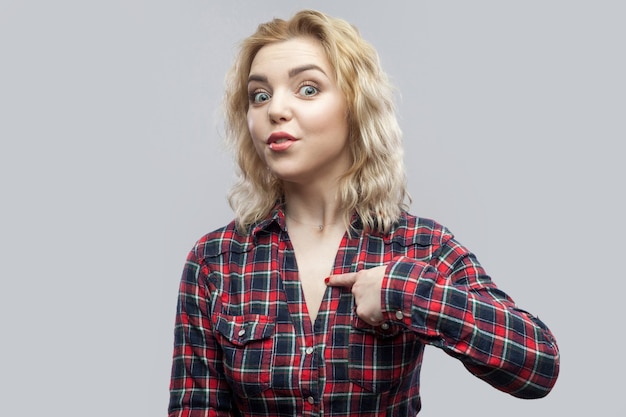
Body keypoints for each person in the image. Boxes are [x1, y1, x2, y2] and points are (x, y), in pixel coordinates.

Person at [168, 9, 560, 416]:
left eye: (307, 89)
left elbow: (538, 365)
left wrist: (402, 292)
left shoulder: (420, 246)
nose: (275, 110)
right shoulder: (215, 261)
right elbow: (196, 409)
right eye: (260, 96)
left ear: (356, 107)